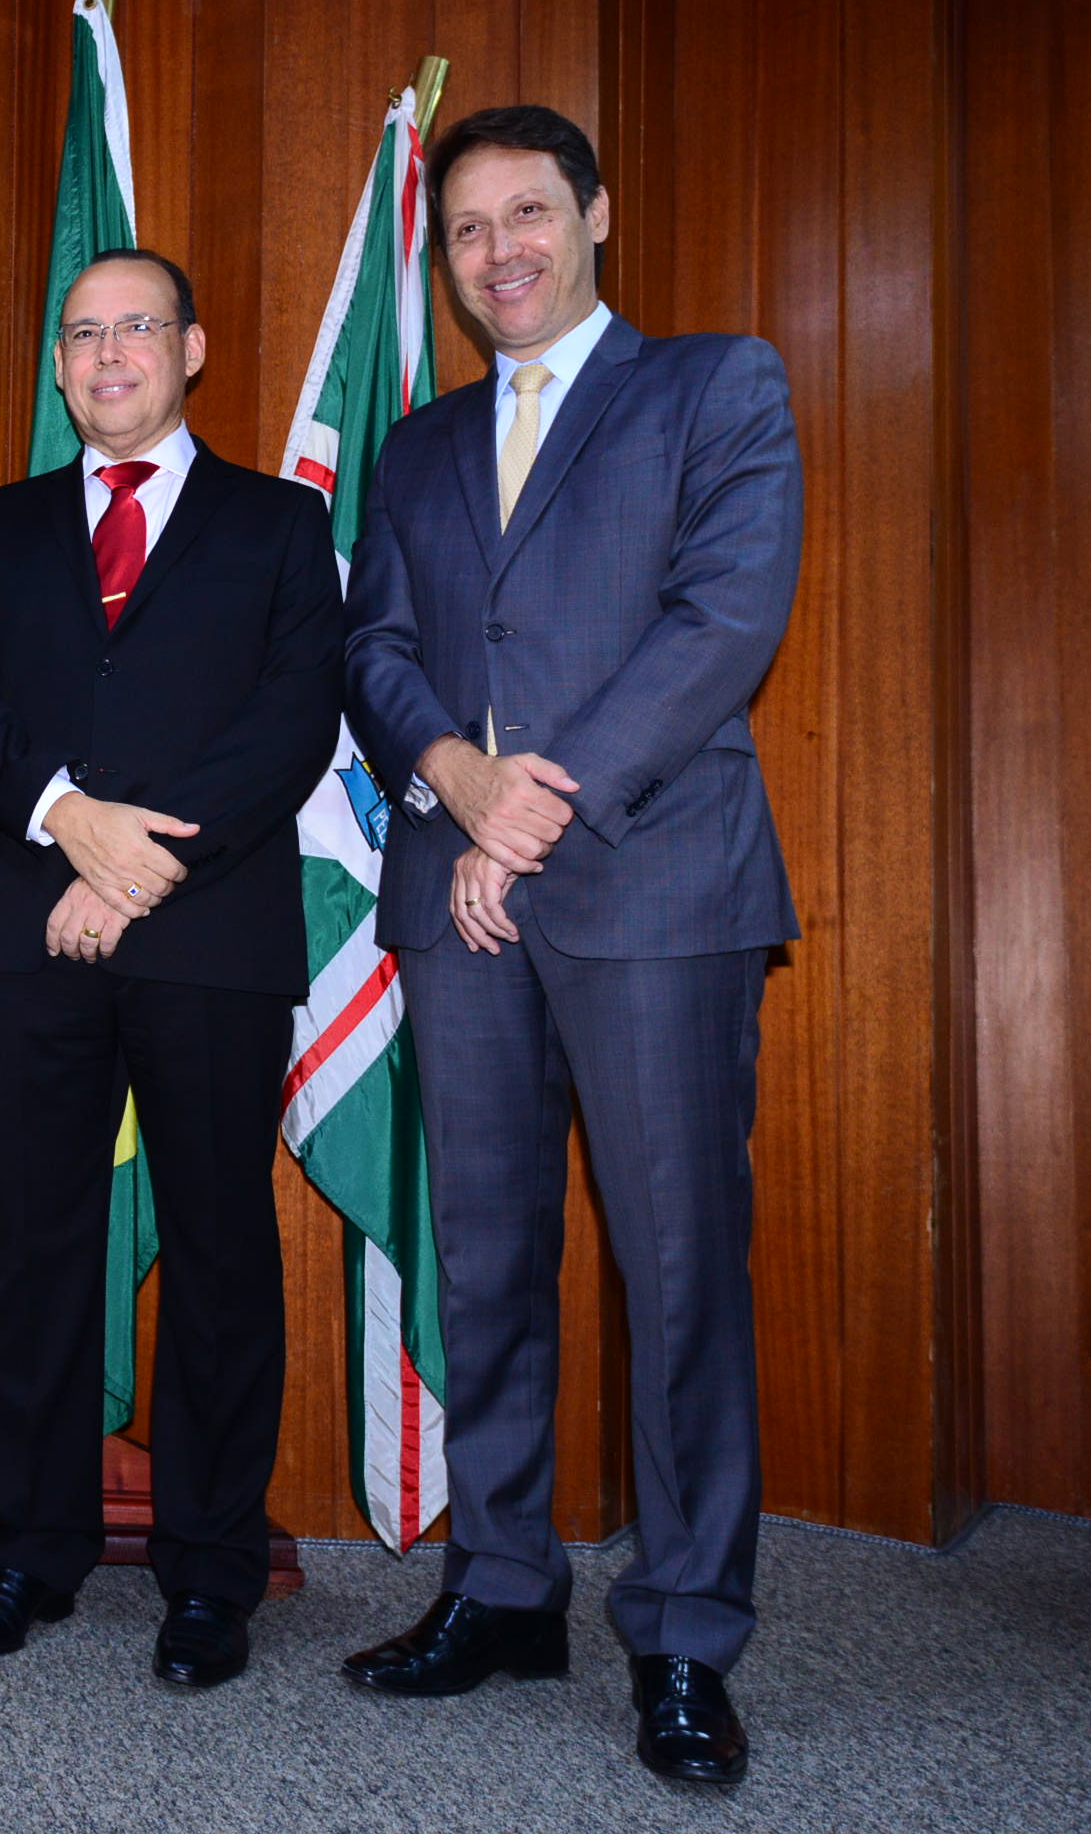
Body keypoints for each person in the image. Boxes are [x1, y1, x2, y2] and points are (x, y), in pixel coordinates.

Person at [337, 104, 801, 1787]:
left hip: (654, 893)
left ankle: (684, 1633)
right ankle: (505, 1584)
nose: (500, 251)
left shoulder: (716, 386)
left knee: (677, 1268)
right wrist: (455, 779)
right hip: (456, 899)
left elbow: (722, 619)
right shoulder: (419, 445)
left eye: (528, 213)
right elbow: (376, 647)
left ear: (595, 214)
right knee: (485, 1256)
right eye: (468, 229)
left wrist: (529, 807)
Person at [0, 247, 342, 1691]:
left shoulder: (280, 524)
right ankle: (32, 1549)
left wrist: (136, 871)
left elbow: (293, 720)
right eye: (83, 334)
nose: (108, 356)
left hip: (207, 935)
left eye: (137, 328)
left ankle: (211, 1570)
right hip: (26, 921)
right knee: (36, 1247)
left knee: (220, 1249)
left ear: (192, 348)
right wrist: (67, 820)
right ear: (59, 365)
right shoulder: (2, 524)